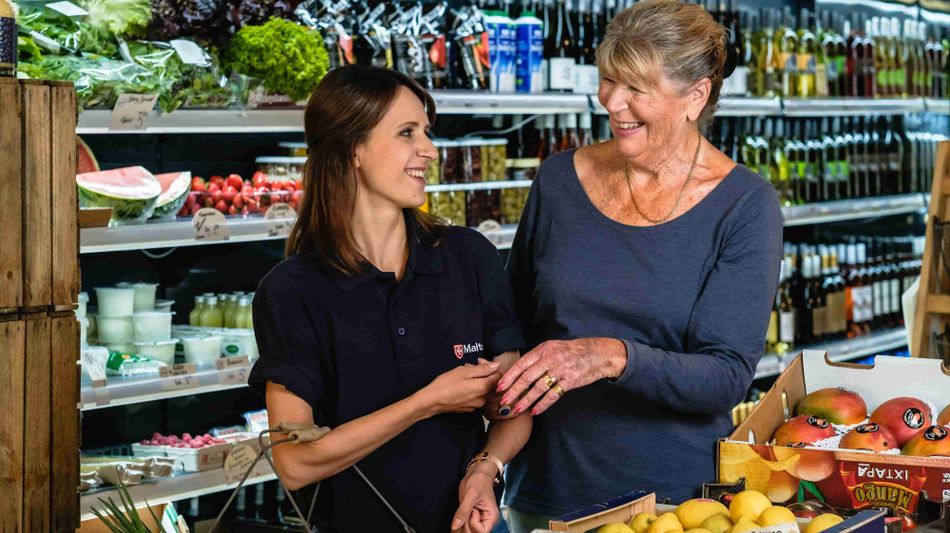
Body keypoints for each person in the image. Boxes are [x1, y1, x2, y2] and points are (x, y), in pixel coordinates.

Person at [493, 1, 784, 530]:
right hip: (542, 491)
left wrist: (611, 357)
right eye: (608, 80)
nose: (611, 101)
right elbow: (511, 324)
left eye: (636, 88)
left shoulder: (745, 206)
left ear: (696, 96)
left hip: (672, 506)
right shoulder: (559, 180)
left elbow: (724, 376)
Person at [247, 64, 531, 533]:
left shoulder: (468, 257)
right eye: (407, 133)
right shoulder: (292, 291)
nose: (430, 151)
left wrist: (486, 468)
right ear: (352, 149)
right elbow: (295, 463)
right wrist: (430, 400)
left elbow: (513, 411)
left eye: (426, 132)